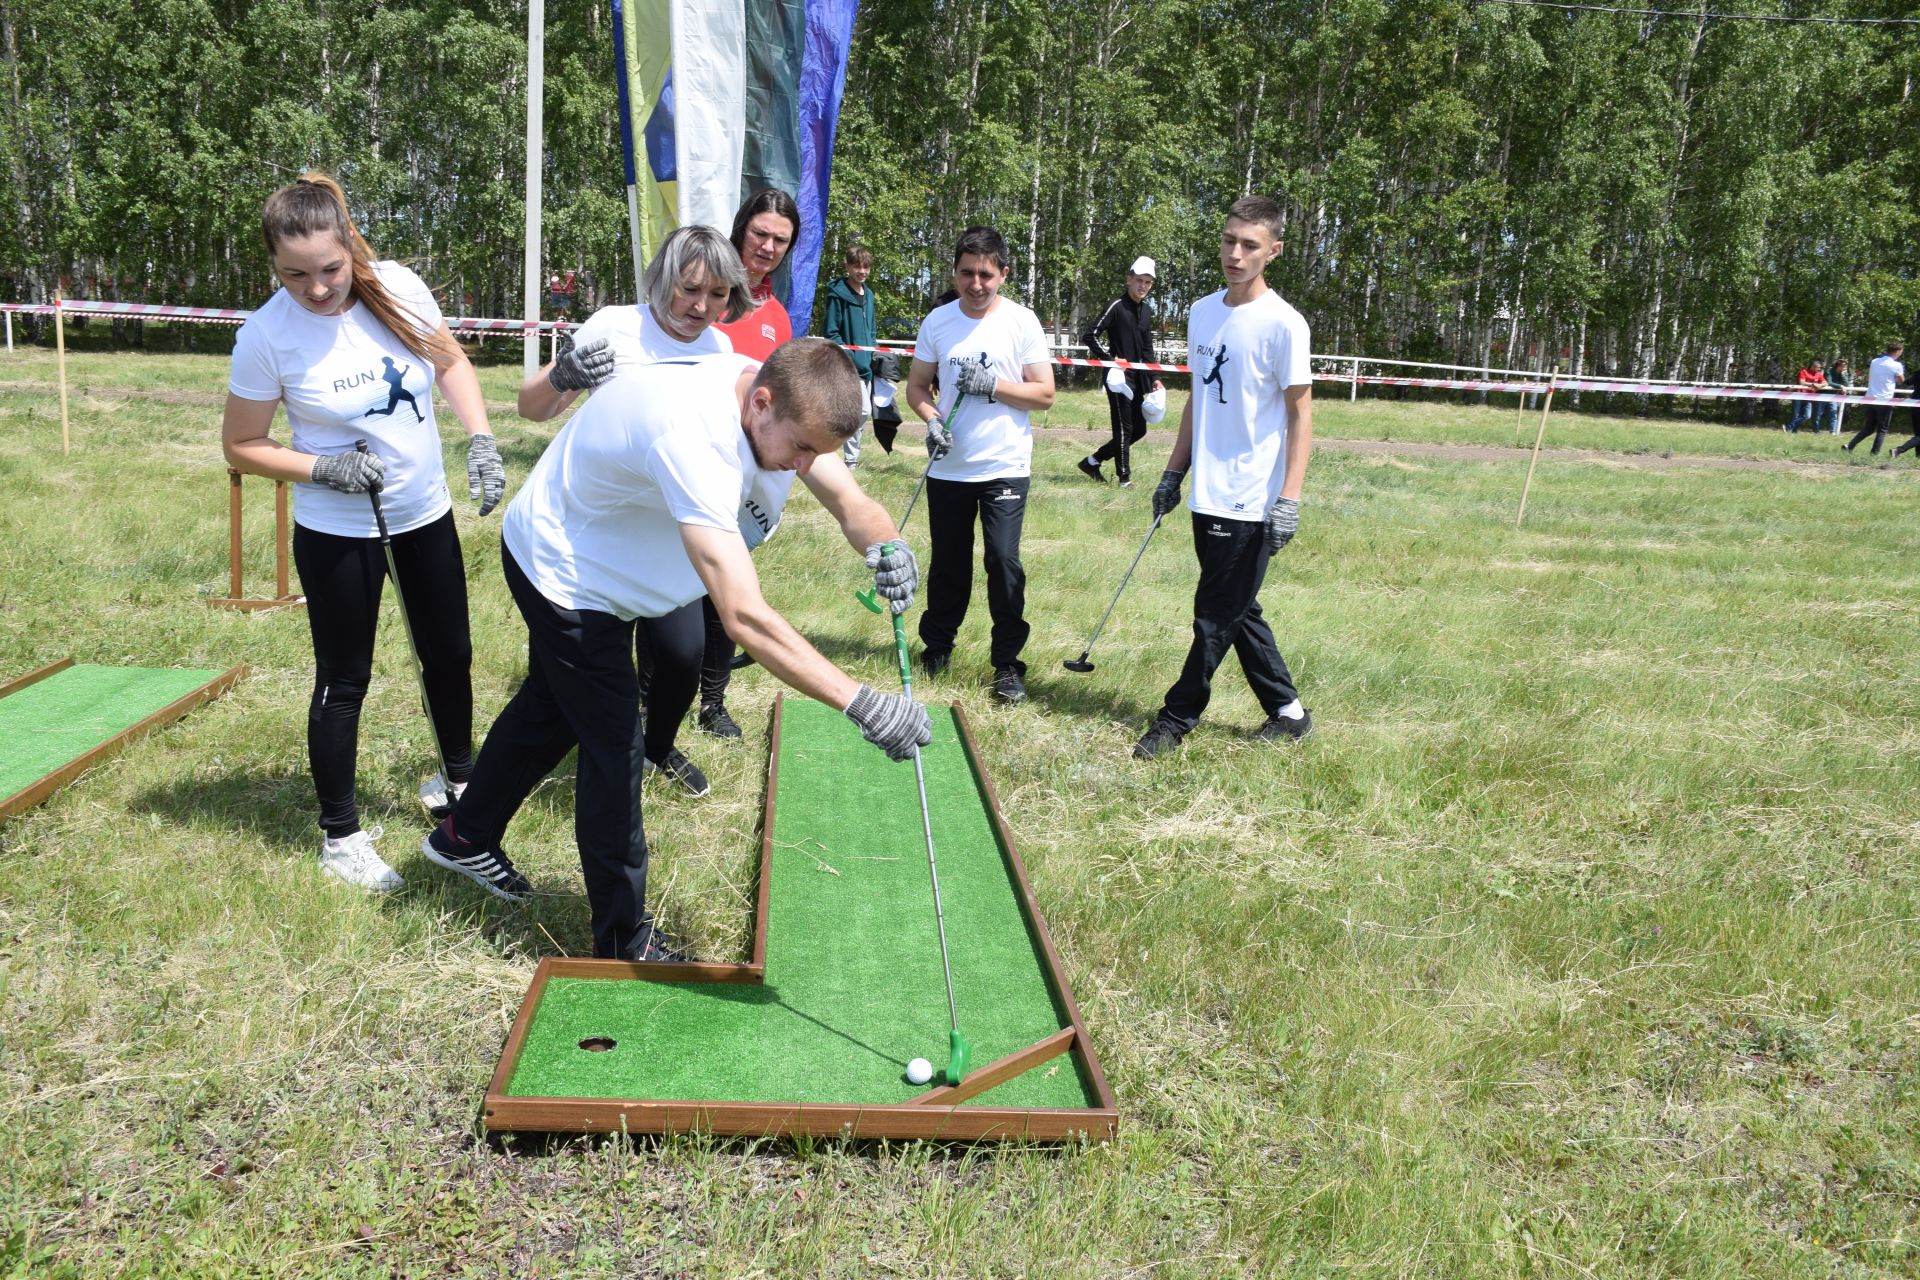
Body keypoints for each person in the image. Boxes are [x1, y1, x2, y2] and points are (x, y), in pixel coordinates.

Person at [422, 341, 927, 960]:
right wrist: (862, 704)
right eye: (801, 450)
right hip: (567, 573)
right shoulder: (697, 439)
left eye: (813, 454)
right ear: (762, 403)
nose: (804, 467)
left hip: (608, 567)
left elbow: (851, 504)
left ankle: (463, 836)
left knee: (551, 709)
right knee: (615, 748)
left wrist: (886, 544)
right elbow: (743, 617)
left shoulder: (784, 406)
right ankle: (622, 943)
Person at [221, 172, 506, 890]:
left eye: (330, 270)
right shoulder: (266, 336)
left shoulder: (401, 287)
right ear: (273, 267)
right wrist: (322, 470)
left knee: (451, 654)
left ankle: (459, 785)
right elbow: (242, 445)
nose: (317, 289)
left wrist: (480, 437)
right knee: (344, 680)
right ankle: (341, 838)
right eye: (295, 275)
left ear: (349, 247)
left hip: (423, 512)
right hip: (337, 532)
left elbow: (452, 362)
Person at [514, 224, 753, 796]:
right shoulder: (614, 327)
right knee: (560, 676)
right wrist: (564, 375)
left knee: (682, 655)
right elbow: (532, 408)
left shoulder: (720, 351)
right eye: (690, 289)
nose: (701, 307)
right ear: (662, 279)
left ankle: (656, 748)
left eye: (717, 295)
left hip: (670, 536)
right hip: (588, 540)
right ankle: (534, 759)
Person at [1133, 195, 1314, 760]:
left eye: (1250, 245)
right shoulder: (1202, 311)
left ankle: (1176, 717)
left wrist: (1289, 499)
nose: (1235, 254)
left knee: (1214, 614)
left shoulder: (1285, 324)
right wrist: (1173, 470)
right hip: (1208, 490)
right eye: (1229, 240)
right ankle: (1289, 713)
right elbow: (1197, 400)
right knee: (1237, 605)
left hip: (1253, 498)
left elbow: (1301, 414)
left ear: (1274, 251)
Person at [905, 226, 1056, 704]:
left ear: (1003, 275)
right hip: (949, 466)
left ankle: (1008, 664)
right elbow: (916, 388)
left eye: (986, 274)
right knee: (948, 563)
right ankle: (937, 647)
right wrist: (930, 419)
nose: (975, 284)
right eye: (966, 273)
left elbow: (1045, 394)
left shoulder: (1022, 322)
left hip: (1004, 466)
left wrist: (993, 385)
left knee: (1003, 562)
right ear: (953, 272)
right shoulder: (938, 322)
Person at [689, 189, 802, 740]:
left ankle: (712, 702)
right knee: (669, 590)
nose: (768, 246)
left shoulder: (777, 315)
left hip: (743, 474)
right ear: (740, 230)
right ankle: (646, 702)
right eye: (760, 233)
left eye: (781, 240)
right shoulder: (706, 294)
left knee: (728, 588)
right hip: (688, 461)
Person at [1077, 256, 1164, 487]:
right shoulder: (1116, 306)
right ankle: (1125, 479)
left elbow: (1147, 348)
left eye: (1148, 282)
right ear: (1129, 279)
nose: (1143, 286)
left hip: (1139, 379)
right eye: (1139, 280)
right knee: (1124, 428)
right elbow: (1090, 334)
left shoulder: (1146, 311)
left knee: (1139, 430)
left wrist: (1155, 378)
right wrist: (1109, 360)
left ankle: (1092, 461)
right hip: (1117, 379)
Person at [823, 243, 878, 467]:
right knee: (861, 412)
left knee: (861, 416)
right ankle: (844, 458)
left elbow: (872, 328)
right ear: (848, 266)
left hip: (867, 366)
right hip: (847, 366)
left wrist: (872, 352)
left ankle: (850, 460)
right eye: (857, 267)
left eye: (866, 267)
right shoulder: (837, 294)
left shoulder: (870, 295)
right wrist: (848, 357)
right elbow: (831, 332)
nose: (862, 272)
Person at [1846, 342, 1906, 455]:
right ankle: (1874, 453)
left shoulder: (1874, 361)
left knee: (1868, 427)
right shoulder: (1896, 365)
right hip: (1885, 400)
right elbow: (1901, 380)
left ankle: (1850, 445)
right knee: (1882, 429)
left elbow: (1870, 376)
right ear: (1897, 351)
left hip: (1870, 397)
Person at [1787, 359, 1827, 433]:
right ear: (1812, 366)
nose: (1819, 369)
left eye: (1819, 368)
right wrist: (1812, 384)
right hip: (1798, 395)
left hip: (1809, 397)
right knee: (1795, 414)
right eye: (1817, 367)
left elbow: (1825, 383)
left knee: (1807, 416)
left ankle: (1788, 427)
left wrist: (1819, 385)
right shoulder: (1803, 372)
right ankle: (1793, 431)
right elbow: (1802, 382)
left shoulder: (1818, 374)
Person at [1820, 358, 1851, 434]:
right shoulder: (1829, 371)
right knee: (1818, 414)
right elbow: (1829, 382)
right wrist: (1840, 386)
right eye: (1844, 367)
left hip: (1835, 396)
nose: (1845, 368)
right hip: (1823, 394)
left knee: (1834, 414)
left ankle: (1832, 432)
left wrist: (1843, 376)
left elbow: (1846, 384)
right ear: (1839, 366)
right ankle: (1816, 431)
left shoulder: (1845, 373)